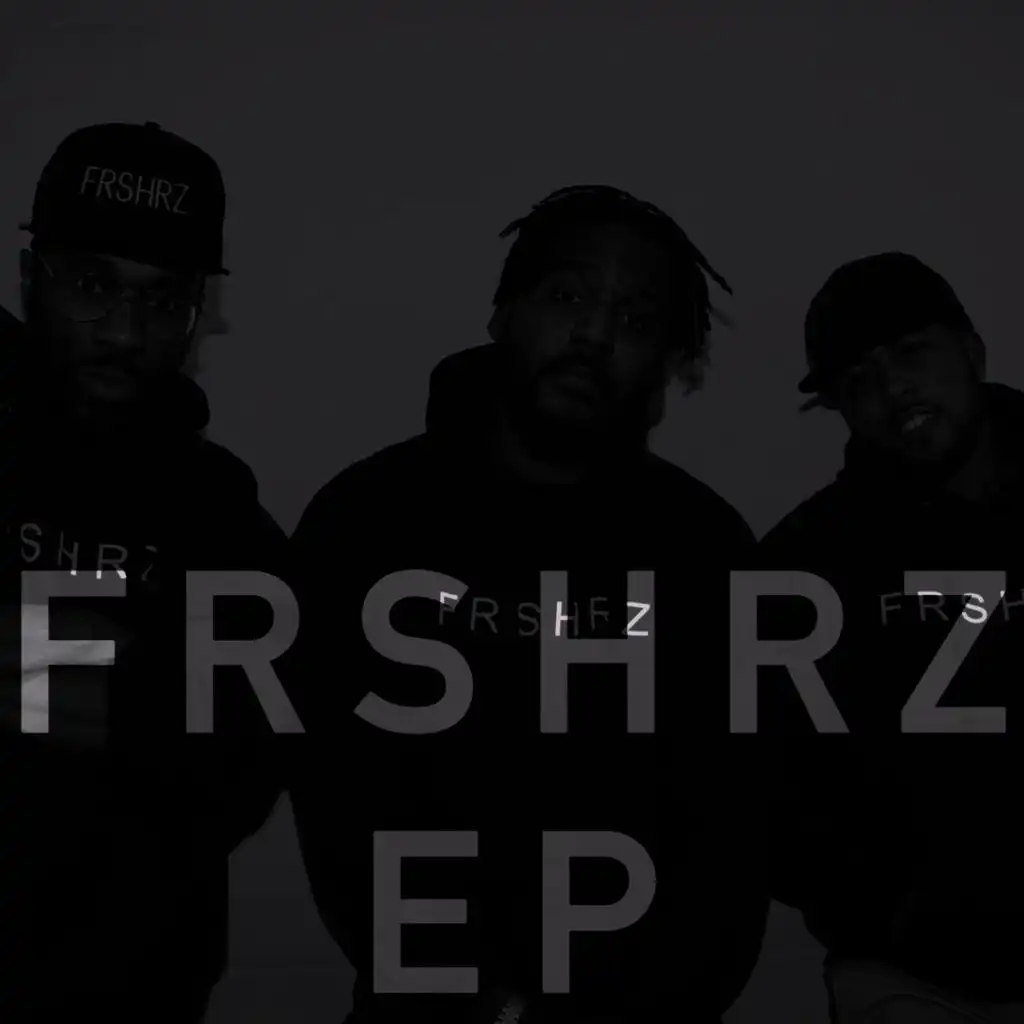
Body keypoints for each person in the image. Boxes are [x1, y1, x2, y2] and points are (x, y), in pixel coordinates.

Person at [285, 185, 769, 1024]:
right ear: (504, 312)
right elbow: (339, 809)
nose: (594, 335)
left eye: (635, 317)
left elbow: (731, 837)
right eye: (569, 296)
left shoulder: (707, 552)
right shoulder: (364, 519)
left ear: (667, 367)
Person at [0, 121, 287, 1021]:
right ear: (32, 278)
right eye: (93, 286)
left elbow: (234, 775)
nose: (125, 332)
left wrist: (41, 673)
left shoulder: (227, 521)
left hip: (127, 992)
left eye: (163, 300)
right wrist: (129, 686)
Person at [758, 252, 1024, 1022]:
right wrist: (891, 912)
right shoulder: (802, 567)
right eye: (859, 380)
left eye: (912, 353)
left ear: (971, 351)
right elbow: (765, 792)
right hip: (916, 978)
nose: (893, 388)